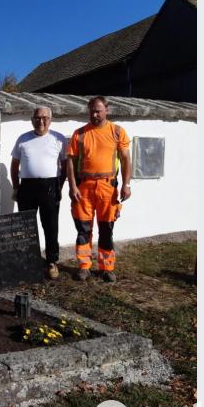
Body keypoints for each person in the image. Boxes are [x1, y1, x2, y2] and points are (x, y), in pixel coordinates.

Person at [66, 96, 131, 283]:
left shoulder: (117, 132)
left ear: (106, 110)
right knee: (83, 229)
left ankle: (106, 268)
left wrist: (126, 184)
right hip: (84, 188)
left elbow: (126, 159)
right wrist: (72, 186)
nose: (94, 115)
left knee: (106, 229)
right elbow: (70, 162)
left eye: (98, 111)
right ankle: (84, 267)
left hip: (107, 188)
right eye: (92, 111)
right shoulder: (79, 134)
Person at [10, 106, 68, 279]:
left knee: (50, 225)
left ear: (50, 120)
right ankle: (28, 260)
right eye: (37, 118)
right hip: (27, 187)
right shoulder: (23, 139)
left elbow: (65, 166)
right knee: (26, 225)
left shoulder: (58, 139)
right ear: (32, 120)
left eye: (45, 118)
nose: (41, 121)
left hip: (50, 186)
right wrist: (16, 187)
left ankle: (52, 261)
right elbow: (14, 165)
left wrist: (59, 186)